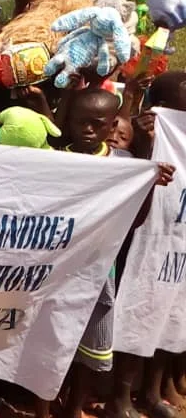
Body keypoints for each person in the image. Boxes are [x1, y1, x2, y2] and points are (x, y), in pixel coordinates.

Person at [60, 87, 175, 418]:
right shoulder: (54, 157)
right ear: (68, 122)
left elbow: (137, 220)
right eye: (80, 122)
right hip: (58, 267)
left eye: (97, 124)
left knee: (89, 340)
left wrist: (147, 183)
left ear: (111, 126)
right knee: (55, 336)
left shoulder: (126, 164)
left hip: (102, 269)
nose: (88, 130)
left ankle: (74, 406)